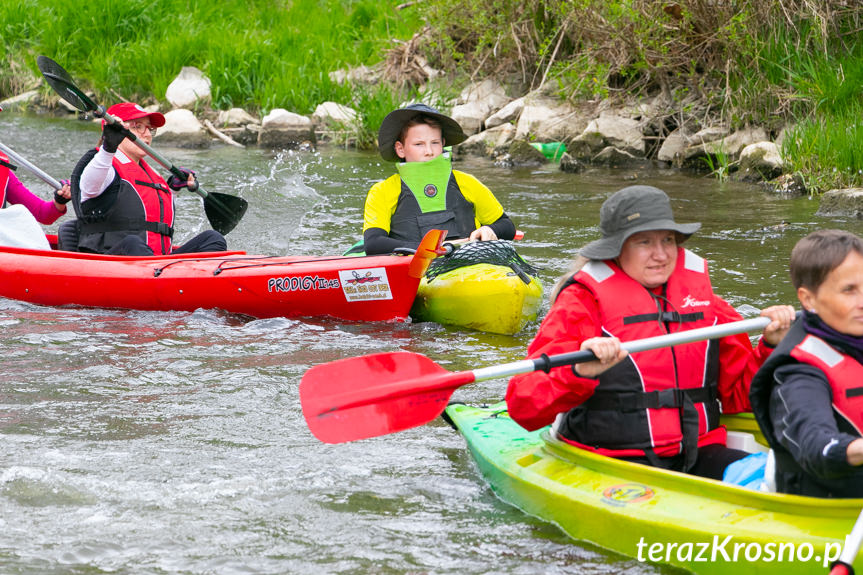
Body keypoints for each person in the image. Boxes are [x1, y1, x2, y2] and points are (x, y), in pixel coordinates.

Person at [505, 185, 795, 480]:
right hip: (610, 458)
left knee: (784, 479)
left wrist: (773, 346)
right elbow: (523, 406)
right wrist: (579, 371)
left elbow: (741, 398)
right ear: (617, 249)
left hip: (699, 451)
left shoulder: (705, 303)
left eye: (668, 240)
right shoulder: (581, 303)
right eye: (644, 242)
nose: (661, 255)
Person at [751, 230, 863, 498]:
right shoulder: (797, 373)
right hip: (826, 504)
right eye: (849, 290)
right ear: (808, 299)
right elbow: (815, 443)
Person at [70, 102, 226, 256]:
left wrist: (173, 189)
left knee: (213, 239)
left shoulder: (148, 171)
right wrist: (109, 146)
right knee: (133, 244)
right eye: (137, 127)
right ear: (116, 130)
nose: (147, 134)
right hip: (114, 261)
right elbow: (88, 188)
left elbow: (148, 212)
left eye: (150, 128)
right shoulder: (103, 164)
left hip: (155, 264)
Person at [360, 103, 516, 255]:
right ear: (400, 149)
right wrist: (428, 249)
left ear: (443, 144)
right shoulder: (382, 191)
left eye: (434, 143)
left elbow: (507, 226)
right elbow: (374, 244)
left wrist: (490, 229)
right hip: (413, 269)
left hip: (469, 262)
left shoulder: (467, 182)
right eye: (419, 144)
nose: (429, 151)